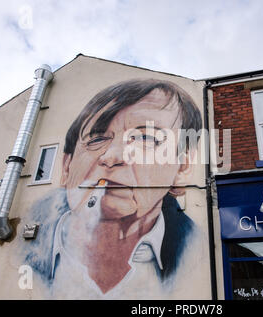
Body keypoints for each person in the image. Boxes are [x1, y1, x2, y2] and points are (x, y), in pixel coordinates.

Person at [21, 79, 206, 299]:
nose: (111, 156)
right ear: (66, 166)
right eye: (97, 139)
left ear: (182, 168)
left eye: (145, 138)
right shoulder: (23, 248)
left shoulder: (198, 251)